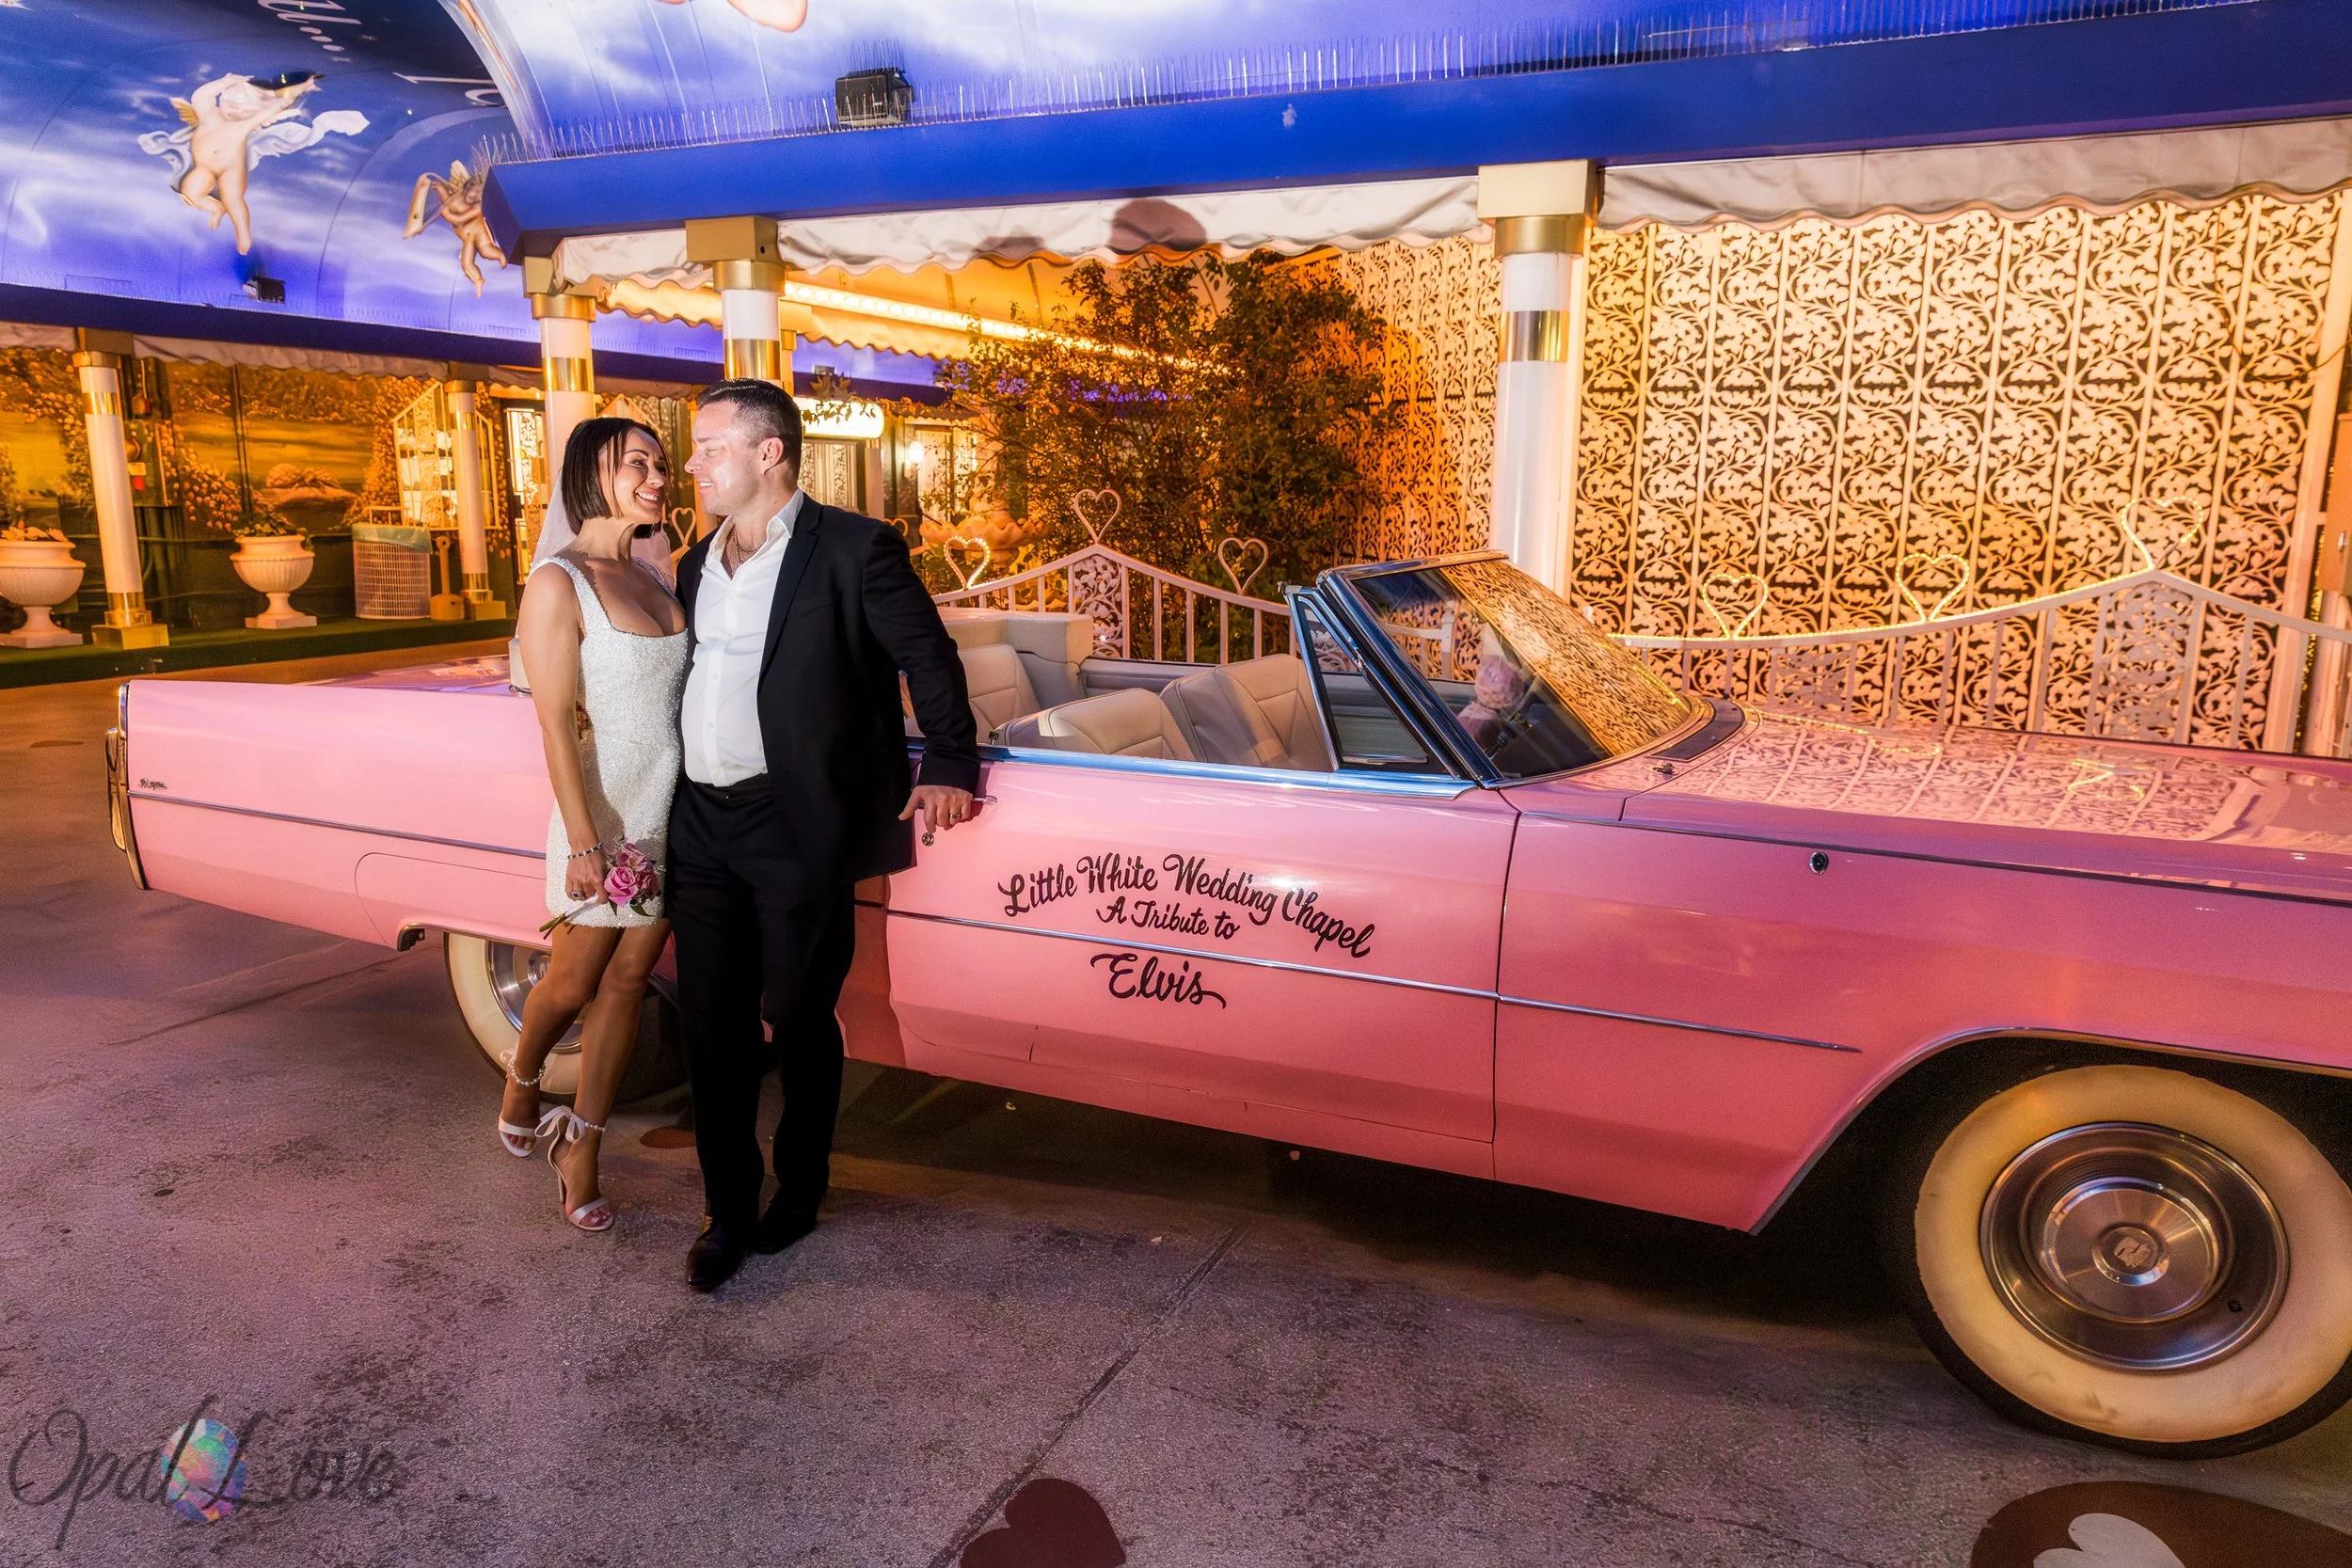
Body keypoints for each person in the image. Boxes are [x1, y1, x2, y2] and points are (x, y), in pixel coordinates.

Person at [671, 378, 977, 1294]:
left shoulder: (853, 548)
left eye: (709, 446)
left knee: (798, 1012)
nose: (694, 464)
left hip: (794, 821)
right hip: (700, 821)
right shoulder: (696, 562)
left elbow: (928, 655)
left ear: (769, 453)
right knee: (711, 1026)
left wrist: (951, 763)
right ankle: (727, 1211)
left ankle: (799, 1187)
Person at [497, 418, 690, 1231]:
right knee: (572, 981)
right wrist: (583, 842)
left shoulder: (654, 572)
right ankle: (522, 1074)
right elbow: (551, 724)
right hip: (602, 812)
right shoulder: (557, 582)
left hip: (668, 810)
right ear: (591, 471)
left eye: (660, 463)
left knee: (626, 986)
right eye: (636, 463)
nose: (656, 477)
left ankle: (583, 1146)